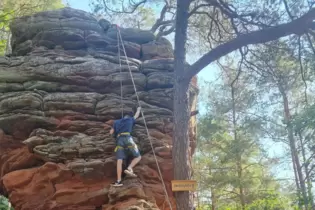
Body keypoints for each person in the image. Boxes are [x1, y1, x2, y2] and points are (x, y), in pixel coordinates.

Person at [110, 107, 142, 187]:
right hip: (128, 139)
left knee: (119, 161)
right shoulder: (130, 120)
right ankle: (129, 168)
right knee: (138, 156)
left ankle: (118, 181)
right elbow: (136, 116)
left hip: (119, 140)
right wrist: (138, 109)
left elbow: (111, 132)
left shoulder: (116, 122)